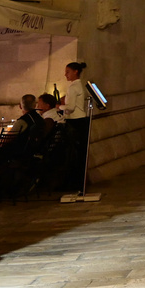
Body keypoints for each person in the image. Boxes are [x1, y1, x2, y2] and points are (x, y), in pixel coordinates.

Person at [60, 61, 91, 192]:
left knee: (74, 153)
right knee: (80, 153)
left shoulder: (73, 87)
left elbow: (70, 108)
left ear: (75, 72)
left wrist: (59, 106)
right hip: (82, 120)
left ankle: (74, 183)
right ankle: (80, 182)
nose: (65, 74)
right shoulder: (79, 86)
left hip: (74, 122)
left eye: (68, 72)